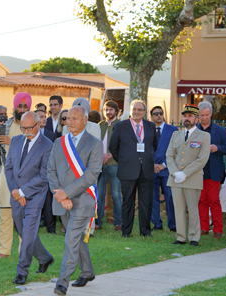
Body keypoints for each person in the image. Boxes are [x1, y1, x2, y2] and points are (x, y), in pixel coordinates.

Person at [48, 106, 102, 295]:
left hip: (83, 200)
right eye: (67, 118)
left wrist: (67, 193)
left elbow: (91, 175)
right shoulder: (58, 142)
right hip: (63, 201)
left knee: (70, 240)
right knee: (77, 240)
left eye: (74, 119)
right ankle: (87, 271)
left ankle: (62, 282)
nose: (69, 122)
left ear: (85, 120)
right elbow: (51, 171)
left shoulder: (95, 144)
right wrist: (60, 195)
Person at [5, 111, 54, 285]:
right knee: (24, 231)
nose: (25, 131)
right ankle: (44, 257)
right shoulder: (17, 141)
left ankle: (22, 271)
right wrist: (15, 192)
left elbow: (44, 176)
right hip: (17, 195)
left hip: (35, 196)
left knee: (28, 233)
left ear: (38, 124)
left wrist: (23, 192)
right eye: (22, 127)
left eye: (29, 128)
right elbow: (8, 167)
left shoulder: (47, 145)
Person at [109, 99, 158, 237]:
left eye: (139, 110)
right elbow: (113, 147)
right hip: (128, 170)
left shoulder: (150, 126)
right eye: (134, 109)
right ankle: (126, 231)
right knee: (127, 202)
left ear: (144, 112)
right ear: (130, 111)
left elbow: (154, 145)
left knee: (146, 202)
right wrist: (125, 161)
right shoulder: (121, 126)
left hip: (146, 170)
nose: (136, 112)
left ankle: (145, 231)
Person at [166, 104, 210, 246]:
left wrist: (185, 173)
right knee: (178, 208)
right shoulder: (176, 134)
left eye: (190, 116)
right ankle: (180, 237)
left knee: (192, 209)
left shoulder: (204, 136)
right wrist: (175, 172)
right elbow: (169, 156)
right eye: (185, 116)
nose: (187, 118)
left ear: (196, 119)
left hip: (192, 177)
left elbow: (202, 159)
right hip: (176, 178)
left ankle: (194, 237)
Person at [0, 93, 31, 258]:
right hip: (5, 172)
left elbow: (33, 147)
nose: (22, 110)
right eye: (20, 106)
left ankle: (23, 250)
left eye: (25, 107)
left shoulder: (32, 127)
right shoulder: (6, 124)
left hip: (25, 174)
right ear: (14, 107)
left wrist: (11, 142)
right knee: (5, 211)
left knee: (23, 214)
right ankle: (4, 251)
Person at [196, 101, 226, 238]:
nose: (204, 118)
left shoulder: (220, 130)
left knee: (214, 201)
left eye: (207, 115)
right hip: (198, 171)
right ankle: (203, 227)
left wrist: (217, 148)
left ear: (211, 114)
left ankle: (218, 229)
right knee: (201, 201)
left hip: (214, 171)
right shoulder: (194, 130)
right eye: (201, 115)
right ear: (198, 115)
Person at [150, 106, 178, 232]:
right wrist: (152, 165)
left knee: (170, 197)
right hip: (151, 169)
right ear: (151, 116)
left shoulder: (172, 130)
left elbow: (176, 150)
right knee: (153, 197)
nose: (158, 116)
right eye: (155, 114)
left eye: (160, 113)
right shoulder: (147, 129)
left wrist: (164, 165)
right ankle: (156, 224)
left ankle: (173, 225)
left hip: (167, 169)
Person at [97, 100, 122, 231]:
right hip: (100, 164)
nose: (108, 112)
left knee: (116, 194)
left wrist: (110, 155)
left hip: (114, 164)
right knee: (99, 194)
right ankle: (98, 222)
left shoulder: (121, 125)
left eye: (111, 110)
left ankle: (119, 222)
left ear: (116, 112)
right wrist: (101, 156)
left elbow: (123, 144)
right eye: (106, 109)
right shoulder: (99, 125)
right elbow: (95, 143)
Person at [36, 109, 56, 233]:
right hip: (33, 172)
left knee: (49, 201)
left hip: (47, 171)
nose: (44, 119)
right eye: (41, 116)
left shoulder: (51, 135)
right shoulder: (29, 134)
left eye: (45, 116)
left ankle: (51, 227)